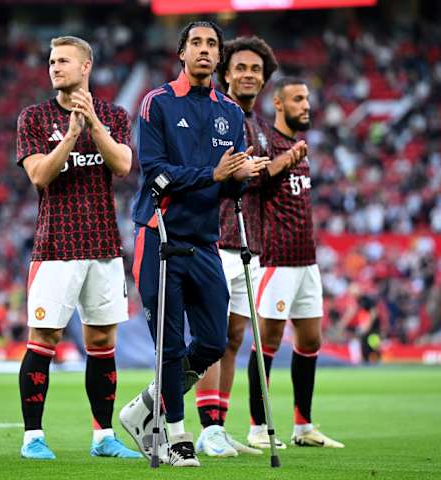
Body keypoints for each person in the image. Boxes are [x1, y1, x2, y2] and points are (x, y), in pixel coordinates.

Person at [118, 21, 268, 467]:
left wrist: (241, 179)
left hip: (205, 242)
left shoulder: (231, 113)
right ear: (182, 53)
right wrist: (215, 174)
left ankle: (145, 406)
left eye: (211, 45)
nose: (204, 51)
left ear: (218, 57)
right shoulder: (157, 103)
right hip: (159, 236)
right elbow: (155, 173)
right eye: (196, 43)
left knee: (212, 340)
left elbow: (228, 188)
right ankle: (176, 435)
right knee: (170, 345)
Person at [15, 35, 140, 460]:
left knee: (103, 340)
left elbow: (123, 164)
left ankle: (103, 436)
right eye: (51, 61)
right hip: (55, 247)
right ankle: (33, 437)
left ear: (86, 67)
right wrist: (69, 137)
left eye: (63, 60)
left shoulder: (114, 115)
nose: (54, 67)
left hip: (104, 245)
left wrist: (93, 126)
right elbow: (39, 176)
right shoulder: (33, 117)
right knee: (44, 337)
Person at [193, 36, 307, 457]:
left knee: (234, 337)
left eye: (256, 70)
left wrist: (276, 168)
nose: (247, 75)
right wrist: (268, 167)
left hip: (249, 244)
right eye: (240, 67)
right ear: (225, 73)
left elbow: (260, 180)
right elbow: (214, 173)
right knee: (210, 336)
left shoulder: (258, 124)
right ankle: (203, 426)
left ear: (264, 80)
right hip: (214, 238)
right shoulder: (214, 116)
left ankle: (218, 426)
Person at [248, 77, 344, 449]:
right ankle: (258, 427)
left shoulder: (298, 146)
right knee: (268, 340)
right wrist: (284, 160)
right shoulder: (266, 142)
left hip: (308, 261)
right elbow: (254, 182)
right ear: (278, 103)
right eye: (298, 99)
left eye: (307, 99)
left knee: (310, 339)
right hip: (276, 259)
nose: (306, 105)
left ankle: (303, 426)